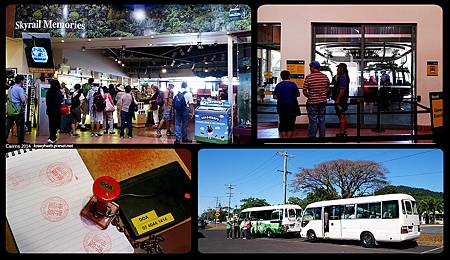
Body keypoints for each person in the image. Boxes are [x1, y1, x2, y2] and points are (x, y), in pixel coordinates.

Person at [303, 60, 330, 138]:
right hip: (322, 102)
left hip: (312, 102)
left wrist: (310, 96)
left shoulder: (309, 77)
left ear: (312, 67)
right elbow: (327, 88)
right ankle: (322, 136)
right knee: (322, 119)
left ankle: (312, 137)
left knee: (313, 120)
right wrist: (323, 95)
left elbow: (304, 90)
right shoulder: (325, 77)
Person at [273, 70, 300, 138]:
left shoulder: (278, 85)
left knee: (282, 123)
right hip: (292, 106)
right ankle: (288, 140)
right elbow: (297, 94)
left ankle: (283, 140)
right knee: (290, 124)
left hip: (281, 106)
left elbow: (275, 96)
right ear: (289, 76)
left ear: (281, 77)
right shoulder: (293, 84)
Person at [5, 75, 27, 144]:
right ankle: (21, 142)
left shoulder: (10, 88)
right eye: (23, 80)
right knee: (20, 127)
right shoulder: (20, 89)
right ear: (21, 81)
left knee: (7, 127)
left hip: (10, 110)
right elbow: (23, 100)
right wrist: (25, 96)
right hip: (18, 111)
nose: (24, 82)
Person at [332, 63, 350, 137]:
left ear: (342, 69)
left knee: (341, 116)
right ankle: (344, 131)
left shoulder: (342, 77)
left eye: (338, 68)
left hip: (341, 100)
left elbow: (342, 90)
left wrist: (337, 100)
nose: (337, 69)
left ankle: (342, 133)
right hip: (343, 99)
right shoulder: (344, 76)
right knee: (343, 115)